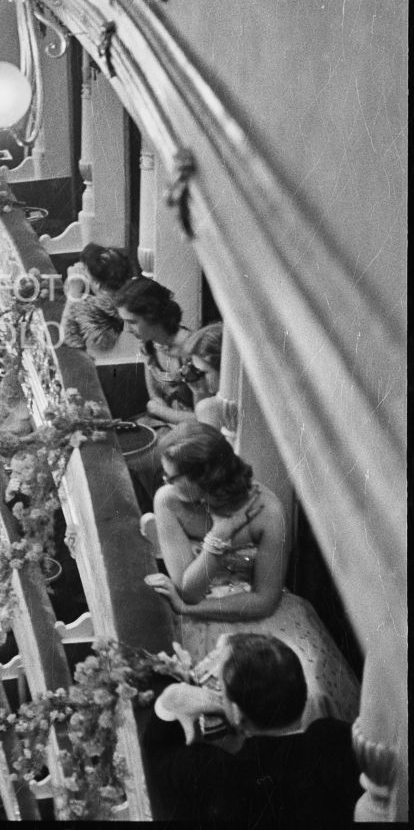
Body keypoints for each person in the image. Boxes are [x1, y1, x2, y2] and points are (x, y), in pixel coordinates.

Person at [146, 422, 360, 727]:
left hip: (263, 614)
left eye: (172, 475)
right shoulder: (168, 501)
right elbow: (189, 590)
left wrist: (188, 608)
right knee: (226, 695)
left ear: (200, 477)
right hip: (202, 618)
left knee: (307, 690)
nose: (165, 481)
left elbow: (264, 601)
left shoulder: (267, 509)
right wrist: (220, 536)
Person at [143, 632, 362, 826]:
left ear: (237, 714)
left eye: (220, 687)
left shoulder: (215, 773)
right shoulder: (337, 736)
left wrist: (170, 701)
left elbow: (155, 763)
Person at [114, 276, 197, 426]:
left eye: (132, 322)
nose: (126, 329)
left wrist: (158, 411)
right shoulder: (149, 346)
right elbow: (155, 396)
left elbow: (205, 419)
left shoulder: (191, 350)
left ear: (152, 315)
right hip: (169, 424)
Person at [60, 243, 135, 352]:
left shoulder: (91, 311)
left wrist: (74, 292)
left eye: (86, 272)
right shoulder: (133, 298)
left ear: (97, 284)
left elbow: (66, 339)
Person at [180, 323, 237, 433]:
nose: (198, 377)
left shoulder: (209, 407)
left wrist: (201, 398)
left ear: (224, 369)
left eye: (203, 372)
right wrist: (199, 392)